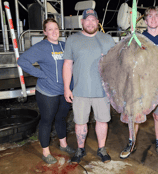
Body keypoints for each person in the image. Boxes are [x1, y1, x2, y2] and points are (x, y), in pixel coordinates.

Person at [120, 6, 158, 160]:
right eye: (149, 16)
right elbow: (126, 61)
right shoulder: (137, 39)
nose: (153, 19)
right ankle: (131, 143)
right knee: (135, 116)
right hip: (139, 87)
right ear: (145, 21)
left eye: (156, 16)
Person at [18, 18, 74, 165]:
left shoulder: (64, 45)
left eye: (56, 28)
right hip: (47, 92)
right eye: (50, 29)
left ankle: (63, 144)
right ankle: (46, 152)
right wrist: (41, 74)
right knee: (47, 121)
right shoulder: (41, 47)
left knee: (62, 118)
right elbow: (22, 61)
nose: (54, 32)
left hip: (65, 91)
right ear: (45, 32)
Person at [63, 8, 115, 164]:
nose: (90, 23)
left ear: (98, 22)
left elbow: (115, 64)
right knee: (80, 122)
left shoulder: (108, 39)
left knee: (102, 121)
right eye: (87, 20)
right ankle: (80, 149)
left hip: (103, 91)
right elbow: (67, 65)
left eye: (93, 20)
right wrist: (67, 88)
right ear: (82, 22)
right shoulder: (72, 39)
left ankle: (102, 148)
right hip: (80, 90)